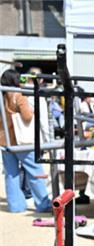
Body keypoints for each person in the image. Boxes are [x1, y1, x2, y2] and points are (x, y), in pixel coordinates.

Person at [0, 69, 51, 213]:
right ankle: (42, 204)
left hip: (4, 140)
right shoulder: (18, 95)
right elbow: (27, 117)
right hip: (22, 142)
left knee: (11, 174)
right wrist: (32, 110)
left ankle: (16, 206)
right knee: (35, 172)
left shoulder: (1, 95)